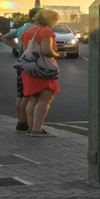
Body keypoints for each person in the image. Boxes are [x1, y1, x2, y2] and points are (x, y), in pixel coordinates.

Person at [18, 9, 62, 137]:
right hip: (44, 69)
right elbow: (46, 51)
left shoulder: (28, 32)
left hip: (30, 69)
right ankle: (37, 129)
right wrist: (59, 55)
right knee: (44, 99)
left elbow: (25, 50)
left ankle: (31, 128)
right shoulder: (46, 32)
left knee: (33, 100)